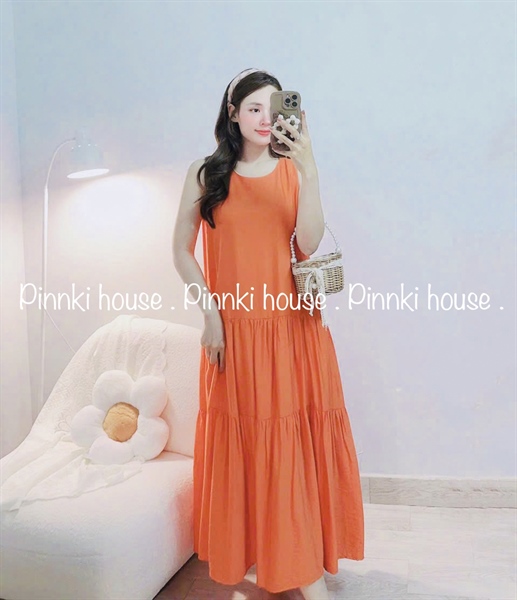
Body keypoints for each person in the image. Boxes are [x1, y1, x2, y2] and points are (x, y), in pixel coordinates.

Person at [172, 68, 364, 600]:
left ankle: (299, 564)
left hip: (293, 332)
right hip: (235, 334)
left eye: (273, 108)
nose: (264, 118)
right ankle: (272, 555)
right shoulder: (205, 174)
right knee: (253, 443)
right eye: (253, 107)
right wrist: (210, 315)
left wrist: (309, 167)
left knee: (290, 446)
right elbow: (181, 251)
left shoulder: (292, 170)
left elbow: (308, 244)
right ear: (232, 112)